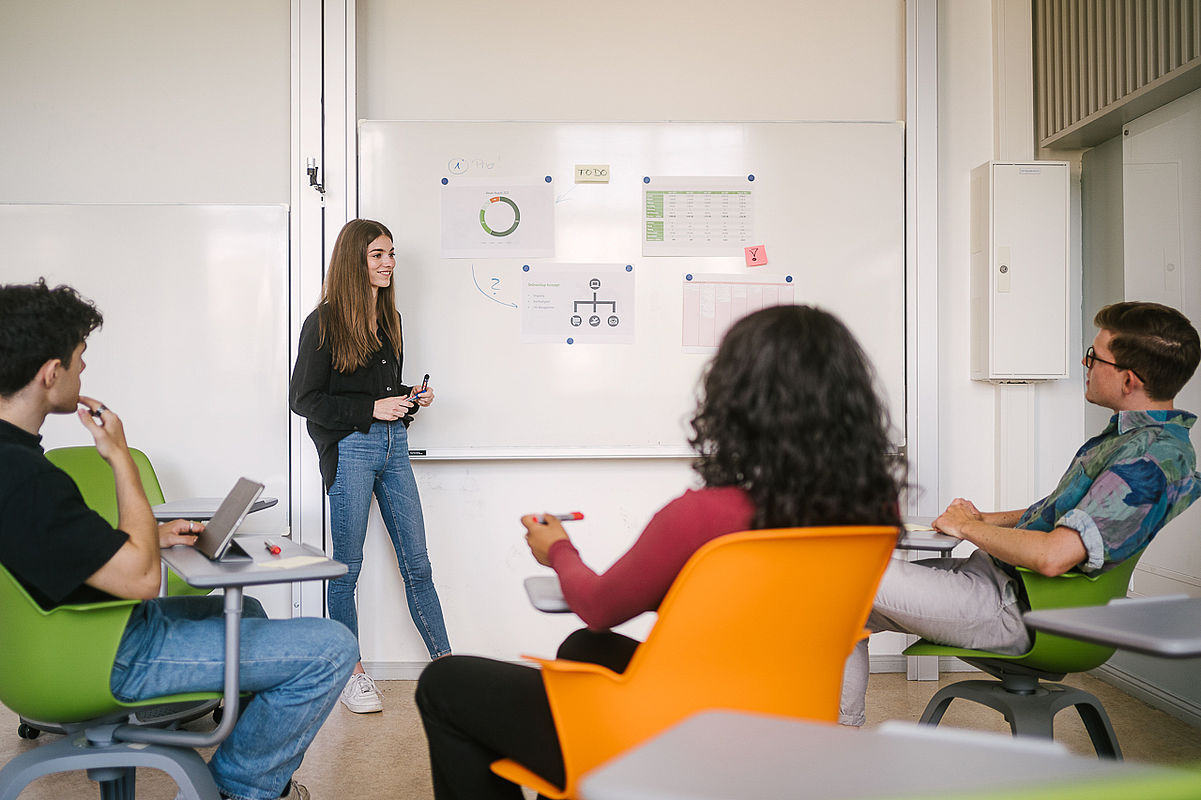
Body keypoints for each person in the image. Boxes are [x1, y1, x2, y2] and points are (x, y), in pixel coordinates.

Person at [415, 304, 905, 799]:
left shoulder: (703, 516)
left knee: (445, 683)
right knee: (587, 649)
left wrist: (558, 549)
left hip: (679, 737)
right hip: (786, 729)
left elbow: (600, 606)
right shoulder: (874, 512)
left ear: (739, 400)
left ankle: (599, 762)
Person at [0, 279, 357, 800]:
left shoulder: (15, 460)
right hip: (109, 653)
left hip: (55, 647)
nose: (84, 370)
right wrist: (120, 455)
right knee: (331, 648)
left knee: (249, 612)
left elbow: (63, 548)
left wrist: (154, 535)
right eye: (79, 358)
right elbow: (144, 581)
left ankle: (251, 774)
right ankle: (239, 789)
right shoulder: (27, 475)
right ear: (50, 374)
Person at [841, 300, 1201, 726]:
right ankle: (835, 745)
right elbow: (1056, 515)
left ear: (1128, 379)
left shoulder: (1153, 457)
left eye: (1093, 357)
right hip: (1002, 587)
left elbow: (1055, 554)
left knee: (840, 575)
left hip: (1019, 608)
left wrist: (969, 530)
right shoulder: (1133, 439)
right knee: (838, 604)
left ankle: (839, 750)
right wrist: (983, 519)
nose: (1086, 365)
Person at [290, 218, 451, 714]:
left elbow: (378, 394)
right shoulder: (324, 322)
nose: (388, 263)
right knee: (347, 569)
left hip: (393, 447)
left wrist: (408, 399)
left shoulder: (391, 320)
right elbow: (303, 398)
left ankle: (446, 668)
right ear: (354, 261)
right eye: (377, 254)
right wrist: (370, 411)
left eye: (391, 254)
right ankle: (351, 674)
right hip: (351, 451)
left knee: (418, 563)